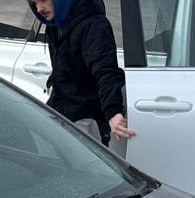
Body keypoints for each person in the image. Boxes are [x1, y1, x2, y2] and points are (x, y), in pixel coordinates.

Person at [28, 0, 134, 145]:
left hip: (86, 120)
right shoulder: (55, 26)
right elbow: (64, 65)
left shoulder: (93, 26)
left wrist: (113, 112)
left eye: (43, 0)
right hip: (62, 115)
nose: (39, 8)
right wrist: (53, 83)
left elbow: (105, 71)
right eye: (34, 3)